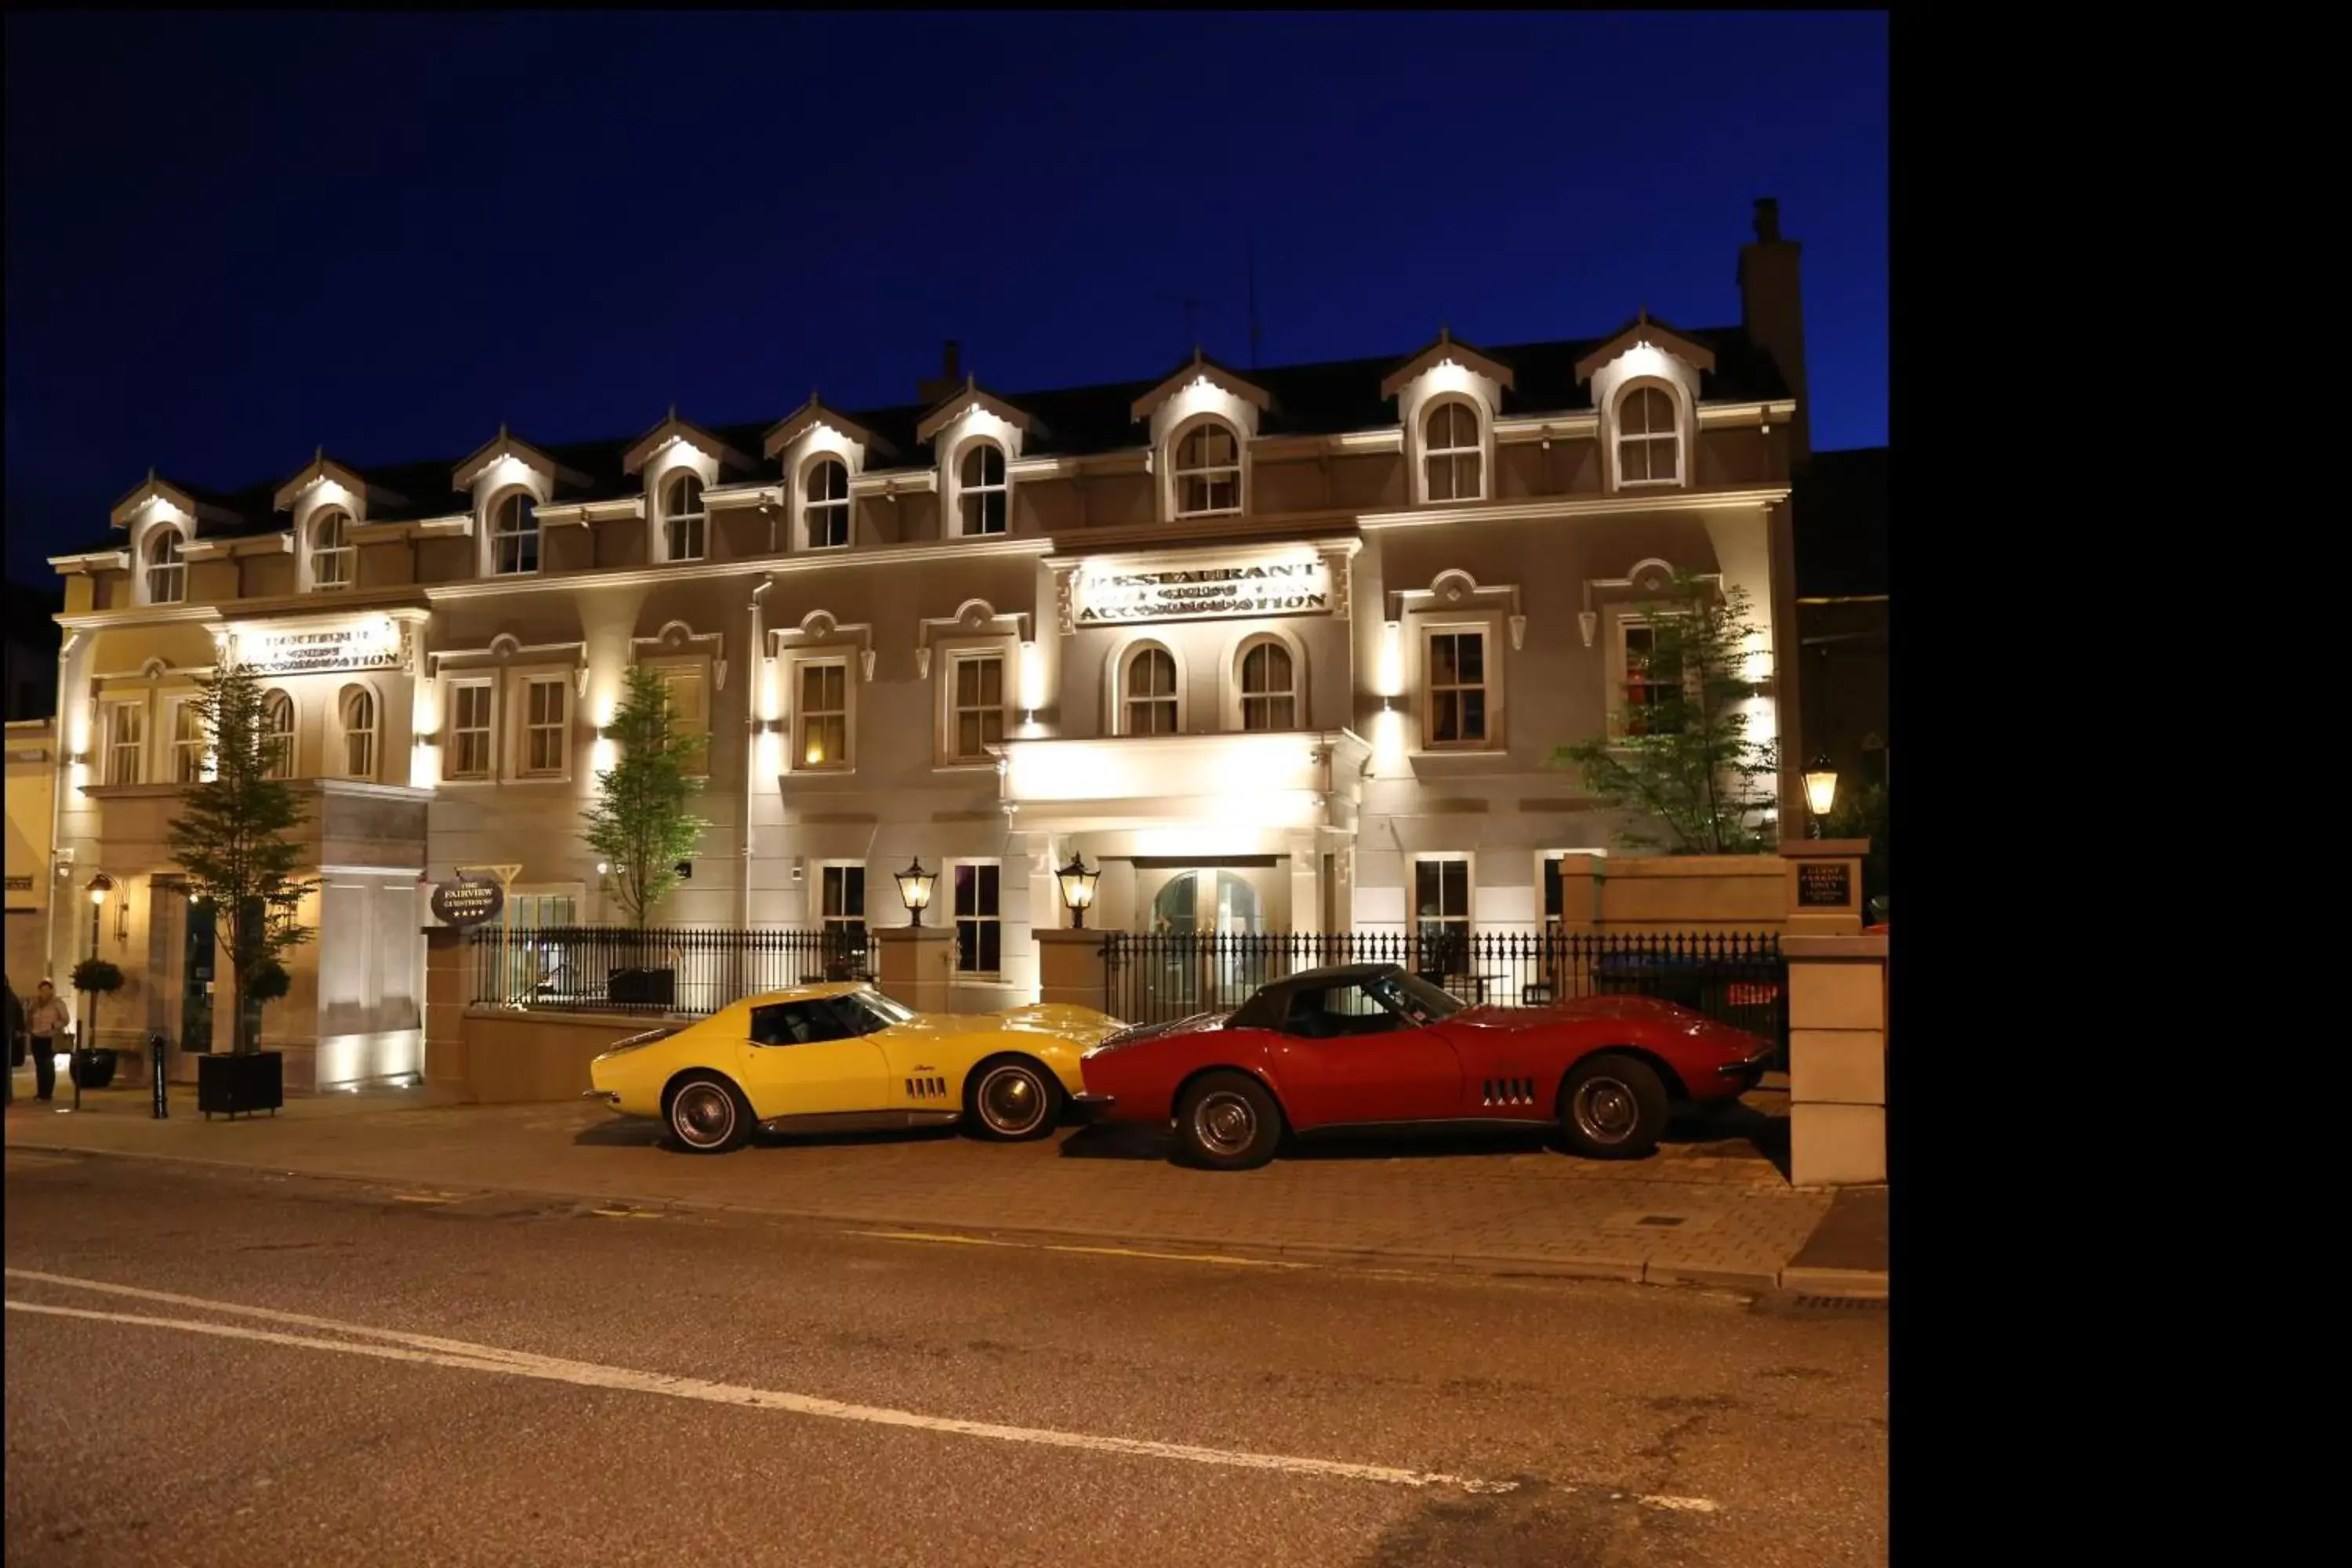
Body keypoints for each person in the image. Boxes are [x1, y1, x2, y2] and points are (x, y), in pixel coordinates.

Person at [25, 978, 70, 1103]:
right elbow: (28, 1016)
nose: (45, 992)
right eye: (42, 989)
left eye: (47, 989)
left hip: (51, 1037)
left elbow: (65, 1019)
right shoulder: (34, 1003)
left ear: (51, 990)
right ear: (39, 990)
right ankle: (40, 1092)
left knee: (48, 1064)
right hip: (36, 1036)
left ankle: (47, 1093)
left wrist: (55, 1025)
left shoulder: (58, 1003)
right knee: (39, 1065)